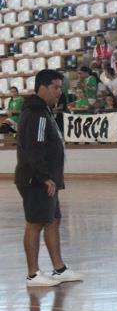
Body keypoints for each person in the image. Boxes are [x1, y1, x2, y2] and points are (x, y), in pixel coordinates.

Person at [15, 69, 82, 287]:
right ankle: (33, 275)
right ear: (42, 87)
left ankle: (59, 269)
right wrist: (44, 177)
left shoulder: (44, 111)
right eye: (55, 87)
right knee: (35, 223)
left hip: (47, 178)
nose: (58, 92)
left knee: (53, 220)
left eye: (60, 88)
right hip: (37, 179)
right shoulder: (36, 113)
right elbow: (34, 148)